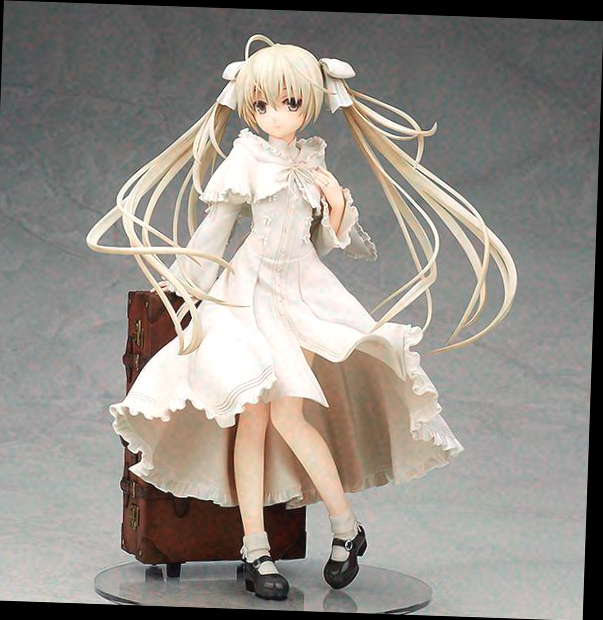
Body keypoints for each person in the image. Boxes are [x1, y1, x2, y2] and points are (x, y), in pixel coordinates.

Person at [87, 34, 517, 600]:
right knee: (252, 421)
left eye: (289, 103)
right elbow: (218, 227)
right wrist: (186, 280)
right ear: (248, 105)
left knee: (289, 416)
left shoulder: (313, 158)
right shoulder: (246, 157)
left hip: (303, 295)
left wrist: (336, 208)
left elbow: (328, 241)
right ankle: (256, 548)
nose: (276, 114)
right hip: (249, 293)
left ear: (310, 102)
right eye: (262, 104)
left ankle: (346, 527)